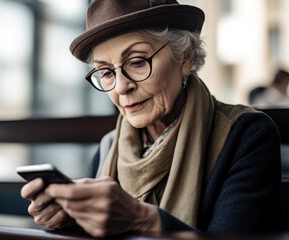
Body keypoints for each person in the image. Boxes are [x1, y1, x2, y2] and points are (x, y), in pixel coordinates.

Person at [20, 0, 286, 237]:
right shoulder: (108, 147)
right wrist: (72, 219)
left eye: (136, 62)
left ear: (185, 57)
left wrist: (142, 219)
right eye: (106, 73)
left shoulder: (246, 134)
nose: (121, 87)